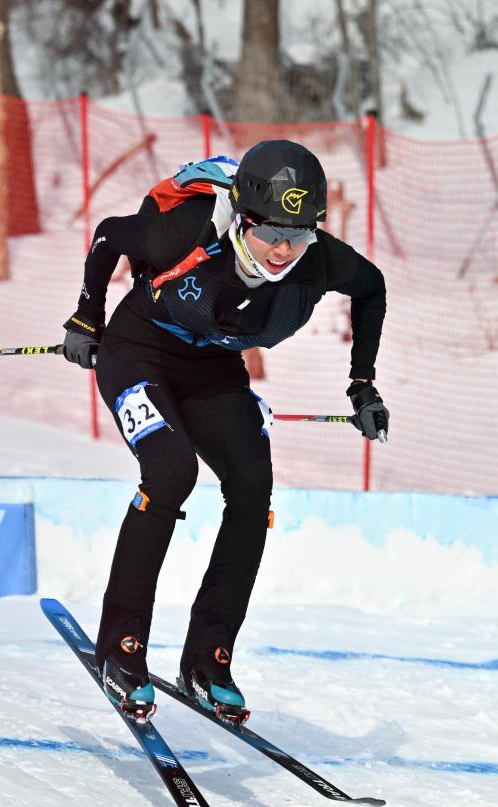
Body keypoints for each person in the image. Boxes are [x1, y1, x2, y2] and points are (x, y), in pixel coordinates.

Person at [62, 140, 389, 723]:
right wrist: (88, 318)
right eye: (272, 233)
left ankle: (209, 660)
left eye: (300, 234)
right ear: (243, 218)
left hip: (212, 369)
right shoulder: (187, 232)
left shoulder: (317, 259)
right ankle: (122, 649)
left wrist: (362, 383)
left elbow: (372, 287)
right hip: (138, 351)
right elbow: (109, 235)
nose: (285, 250)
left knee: (252, 483)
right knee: (171, 472)